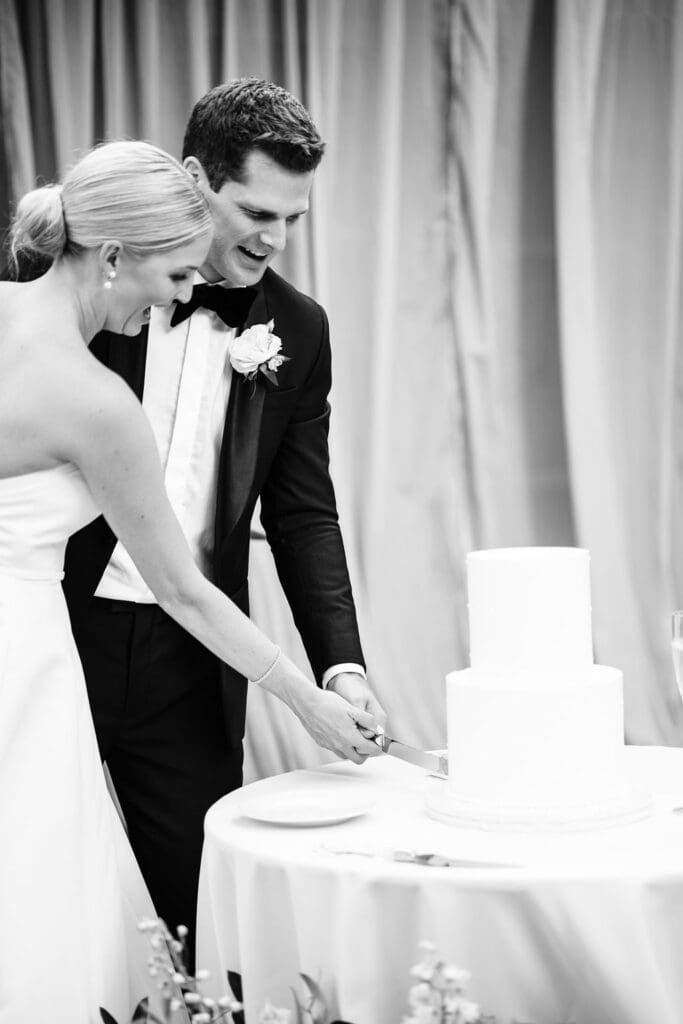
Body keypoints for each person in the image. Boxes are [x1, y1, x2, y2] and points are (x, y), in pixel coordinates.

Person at [0, 139, 381, 1021]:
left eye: (294, 218)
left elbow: (303, 515)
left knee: (183, 912)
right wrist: (301, 699)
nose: (183, 292)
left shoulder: (296, 328)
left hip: (176, 673)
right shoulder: (99, 401)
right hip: (53, 651)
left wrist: (339, 664)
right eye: (176, 273)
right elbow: (182, 583)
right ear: (114, 255)